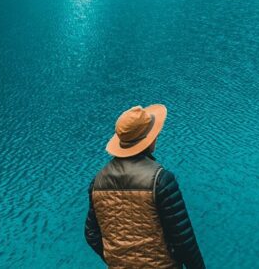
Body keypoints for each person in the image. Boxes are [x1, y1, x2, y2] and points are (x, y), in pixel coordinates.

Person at [85, 104, 205, 269]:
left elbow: (91, 234)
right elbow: (183, 240)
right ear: (148, 139)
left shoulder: (97, 182)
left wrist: (116, 261)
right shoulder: (160, 180)